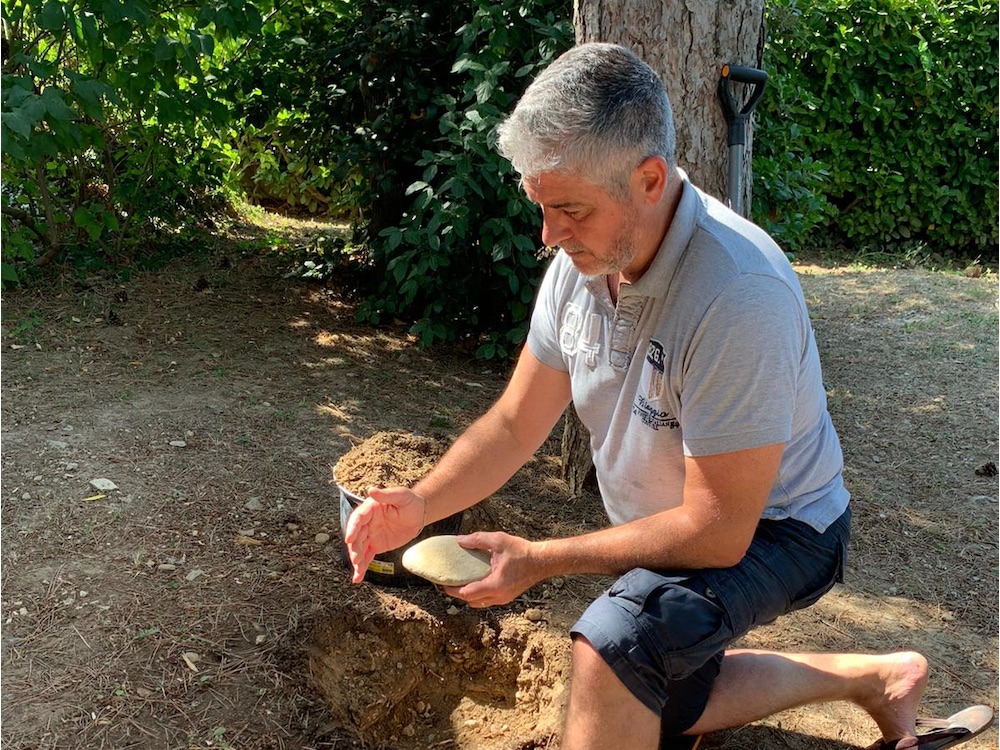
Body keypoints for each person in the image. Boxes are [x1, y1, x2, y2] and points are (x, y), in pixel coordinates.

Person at [344, 43, 992, 750]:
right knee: (655, 698)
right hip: (683, 522)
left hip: (783, 527)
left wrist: (538, 559)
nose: (548, 235)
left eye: (569, 210)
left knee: (614, 647)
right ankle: (874, 677)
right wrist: (421, 502)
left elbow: (718, 529)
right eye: (540, 205)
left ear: (649, 179)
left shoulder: (739, 294)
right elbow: (512, 423)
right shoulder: (582, 264)